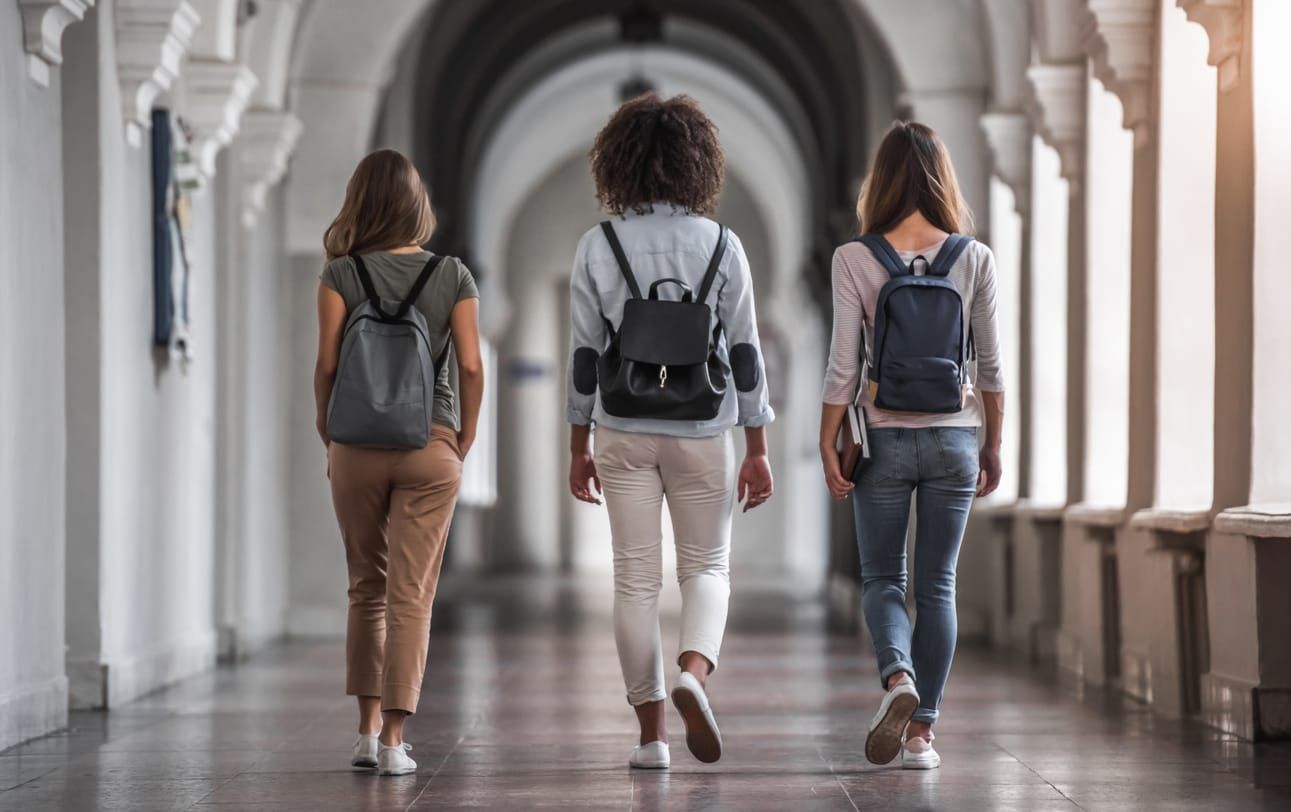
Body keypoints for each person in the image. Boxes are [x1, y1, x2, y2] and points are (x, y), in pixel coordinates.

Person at [566, 93, 775, 769]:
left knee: (633, 582)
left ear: (617, 164)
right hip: (703, 427)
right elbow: (744, 352)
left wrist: (577, 443)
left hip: (622, 426)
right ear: (698, 164)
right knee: (707, 567)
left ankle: (652, 737)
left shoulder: (597, 246)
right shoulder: (722, 245)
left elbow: (581, 354)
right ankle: (693, 671)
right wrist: (757, 447)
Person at [819, 122, 1004, 770]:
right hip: (955, 436)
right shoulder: (972, 257)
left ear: (882, 181)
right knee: (938, 584)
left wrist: (826, 440)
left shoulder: (854, 257)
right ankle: (922, 734)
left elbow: (843, 366)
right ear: (942, 179)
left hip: (884, 438)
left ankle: (897, 678)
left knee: (881, 578)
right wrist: (992, 444)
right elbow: (990, 369)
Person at [314, 149, 483, 776]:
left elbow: (327, 365)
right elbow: (469, 364)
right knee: (412, 595)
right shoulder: (452, 275)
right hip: (429, 444)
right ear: (417, 204)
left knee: (367, 588)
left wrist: (328, 431)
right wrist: (461, 437)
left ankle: (361, 733)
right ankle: (393, 742)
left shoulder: (340, 274)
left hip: (355, 444)